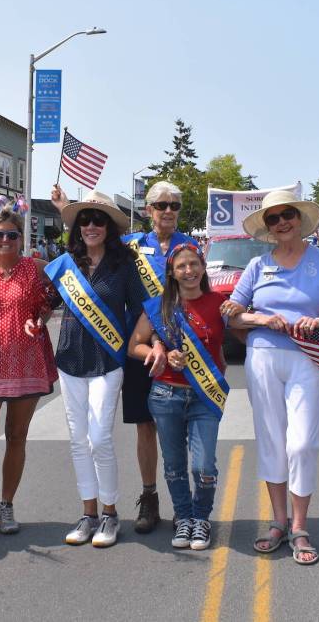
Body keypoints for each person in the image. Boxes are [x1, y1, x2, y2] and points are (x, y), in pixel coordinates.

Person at [221, 190, 319, 565]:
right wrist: (259, 317)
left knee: (301, 444)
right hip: (264, 355)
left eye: (288, 215)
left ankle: (301, 525)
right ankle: (279, 522)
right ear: (267, 226)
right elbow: (232, 313)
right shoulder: (257, 266)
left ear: (299, 219)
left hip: (309, 355)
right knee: (271, 441)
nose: (282, 222)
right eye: (273, 218)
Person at [52, 180, 198, 534]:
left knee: (183, 427)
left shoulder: (192, 248)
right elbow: (88, 236)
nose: (167, 211)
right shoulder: (131, 247)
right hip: (137, 348)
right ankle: (149, 498)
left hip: (182, 347)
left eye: (173, 206)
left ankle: (186, 505)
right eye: (160, 205)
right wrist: (65, 209)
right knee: (144, 425)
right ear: (147, 211)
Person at [47, 190, 148, 548]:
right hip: (71, 357)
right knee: (78, 439)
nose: (91, 226)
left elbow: (142, 309)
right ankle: (88, 513)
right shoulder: (67, 263)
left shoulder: (125, 264)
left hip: (108, 359)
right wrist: (34, 320)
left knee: (100, 437)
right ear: (77, 227)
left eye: (98, 220)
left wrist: (144, 345)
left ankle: (110, 512)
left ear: (109, 226)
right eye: (85, 220)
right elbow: (48, 303)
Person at [0, 198, 57, 538]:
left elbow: (47, 306)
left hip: (26, 362)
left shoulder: (37, 269)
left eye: (12, 236)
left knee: (17, 436)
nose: (5, 241)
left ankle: (6, 505)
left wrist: (38, 318)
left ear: (22, 239)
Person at [128, 244, 227, 550]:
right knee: (173, 464)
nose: (189, 271)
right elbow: (134, 346)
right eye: (182, 266)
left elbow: (242, 330)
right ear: (172, 272)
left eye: (194, 264)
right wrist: (158, 351)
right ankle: (183, 518)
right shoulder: (159, 306)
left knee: (203, 466)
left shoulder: (220, 303)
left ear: (203, 267)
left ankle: (201, 517)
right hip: (165, 395)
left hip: (204, 396)